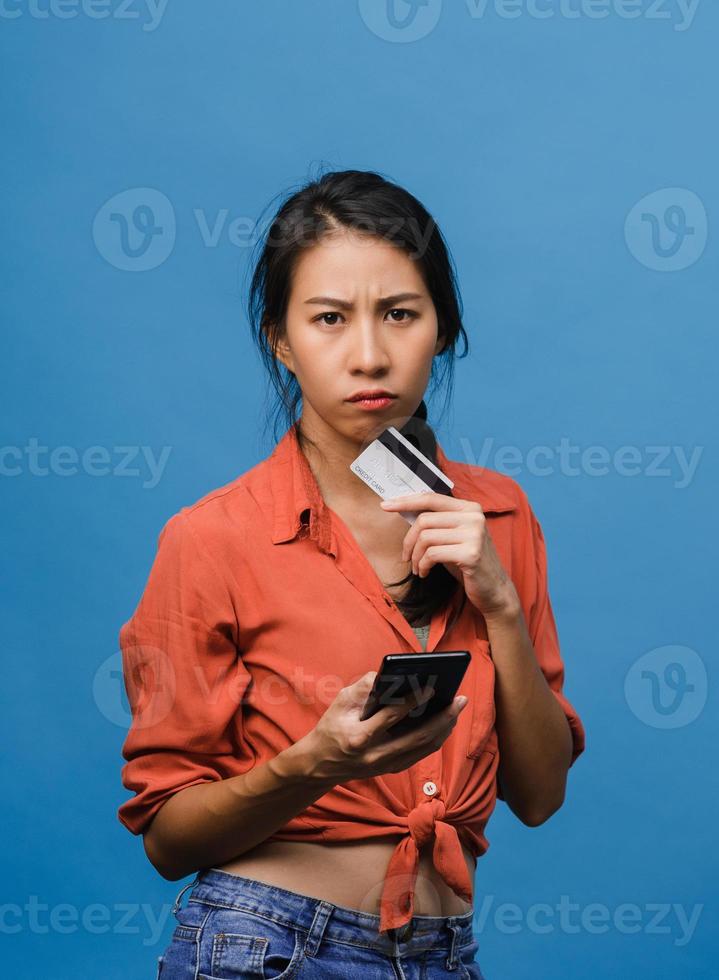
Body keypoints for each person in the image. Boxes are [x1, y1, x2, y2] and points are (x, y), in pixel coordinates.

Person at [116, 169, 586, 978]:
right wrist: (315, 762)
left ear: (442, 328)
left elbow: (540, 798)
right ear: (281, 340)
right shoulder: (213, 538)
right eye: (329, 319)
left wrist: (500, 605)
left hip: (442, 953)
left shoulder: (499, 515)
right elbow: (168, 838)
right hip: (266, 947)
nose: (369, 354)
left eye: (399, 314)